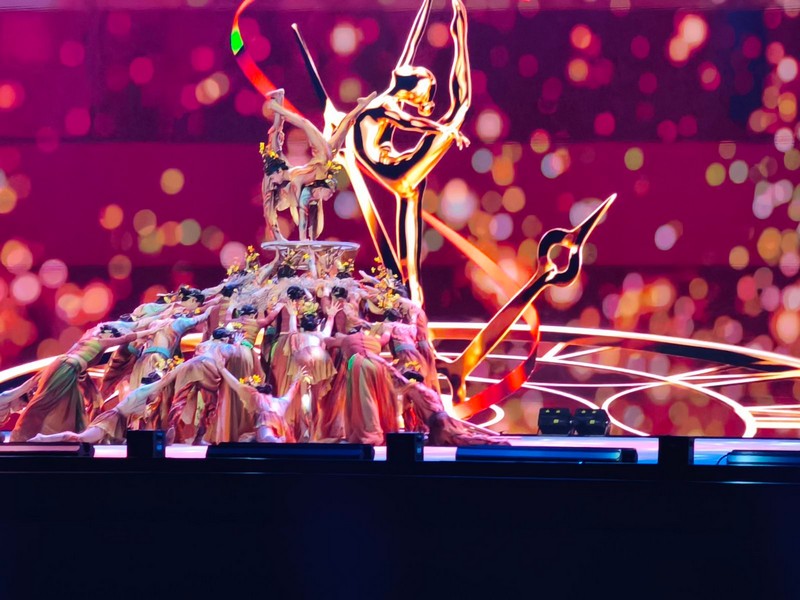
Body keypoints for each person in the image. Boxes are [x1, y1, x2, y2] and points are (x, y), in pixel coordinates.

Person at [11, 323, 158, 442]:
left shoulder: (91, 336)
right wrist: (151, 331)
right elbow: (124, 339)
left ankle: (67, 434)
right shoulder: (100, 341)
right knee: (46, 401)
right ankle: (23, 435)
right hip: (66, 370)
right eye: (111, 335)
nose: (112, 337)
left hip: (70, 370)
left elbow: (127, 330)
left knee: (75, 407)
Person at [269, 92, 376, 241]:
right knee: (346, 125)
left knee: (307, 124)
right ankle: (362, 105)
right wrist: (308, 238)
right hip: (326, 157)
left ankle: (277, 107)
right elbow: (311, 215)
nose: (328, 197)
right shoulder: (309, 190)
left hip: (321, 155)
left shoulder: (297, 180)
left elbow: (299, 210)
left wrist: (278, 117)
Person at [28, 371, 177, 444]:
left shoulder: (145, 399)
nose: (159, 392)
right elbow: (165, 380)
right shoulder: (142, 391)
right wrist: (182, 367)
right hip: (110, 420)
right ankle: (42, 439)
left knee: (128, 443)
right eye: (158, 389)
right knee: (81, 438)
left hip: (119, 424)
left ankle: (161, 442)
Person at [323, 324, 396, 445]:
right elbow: (385, 339)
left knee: (365, 400)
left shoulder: (346, 339)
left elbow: (328, 341)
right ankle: (381, 430)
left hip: (360, 365)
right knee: (378, 398)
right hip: (378, 366)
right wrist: (388, 329)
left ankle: (371, 432)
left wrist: (326, 328)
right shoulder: (373, 340)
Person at [215, 358, 305, 443]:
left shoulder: (271, 401)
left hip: (273, 435)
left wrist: (222, 369)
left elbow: (237, 385)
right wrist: (222, 369)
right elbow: (237, 385)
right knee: (266, 437)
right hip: (272, 435)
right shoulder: (266, 400)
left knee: (267, 437)